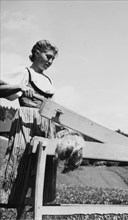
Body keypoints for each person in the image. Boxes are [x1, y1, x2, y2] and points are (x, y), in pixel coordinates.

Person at [0, 40, 84, 215]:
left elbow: (50, 104)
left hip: (46, 125)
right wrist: (19, 87)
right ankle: (16, 211)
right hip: (27, 122)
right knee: (22, 167)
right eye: (48, 56)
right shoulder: (25, 73)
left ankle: (36, 213)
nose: (50, 61)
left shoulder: (48, 80)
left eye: (53, 59)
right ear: (37, 52)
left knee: (42, 172)